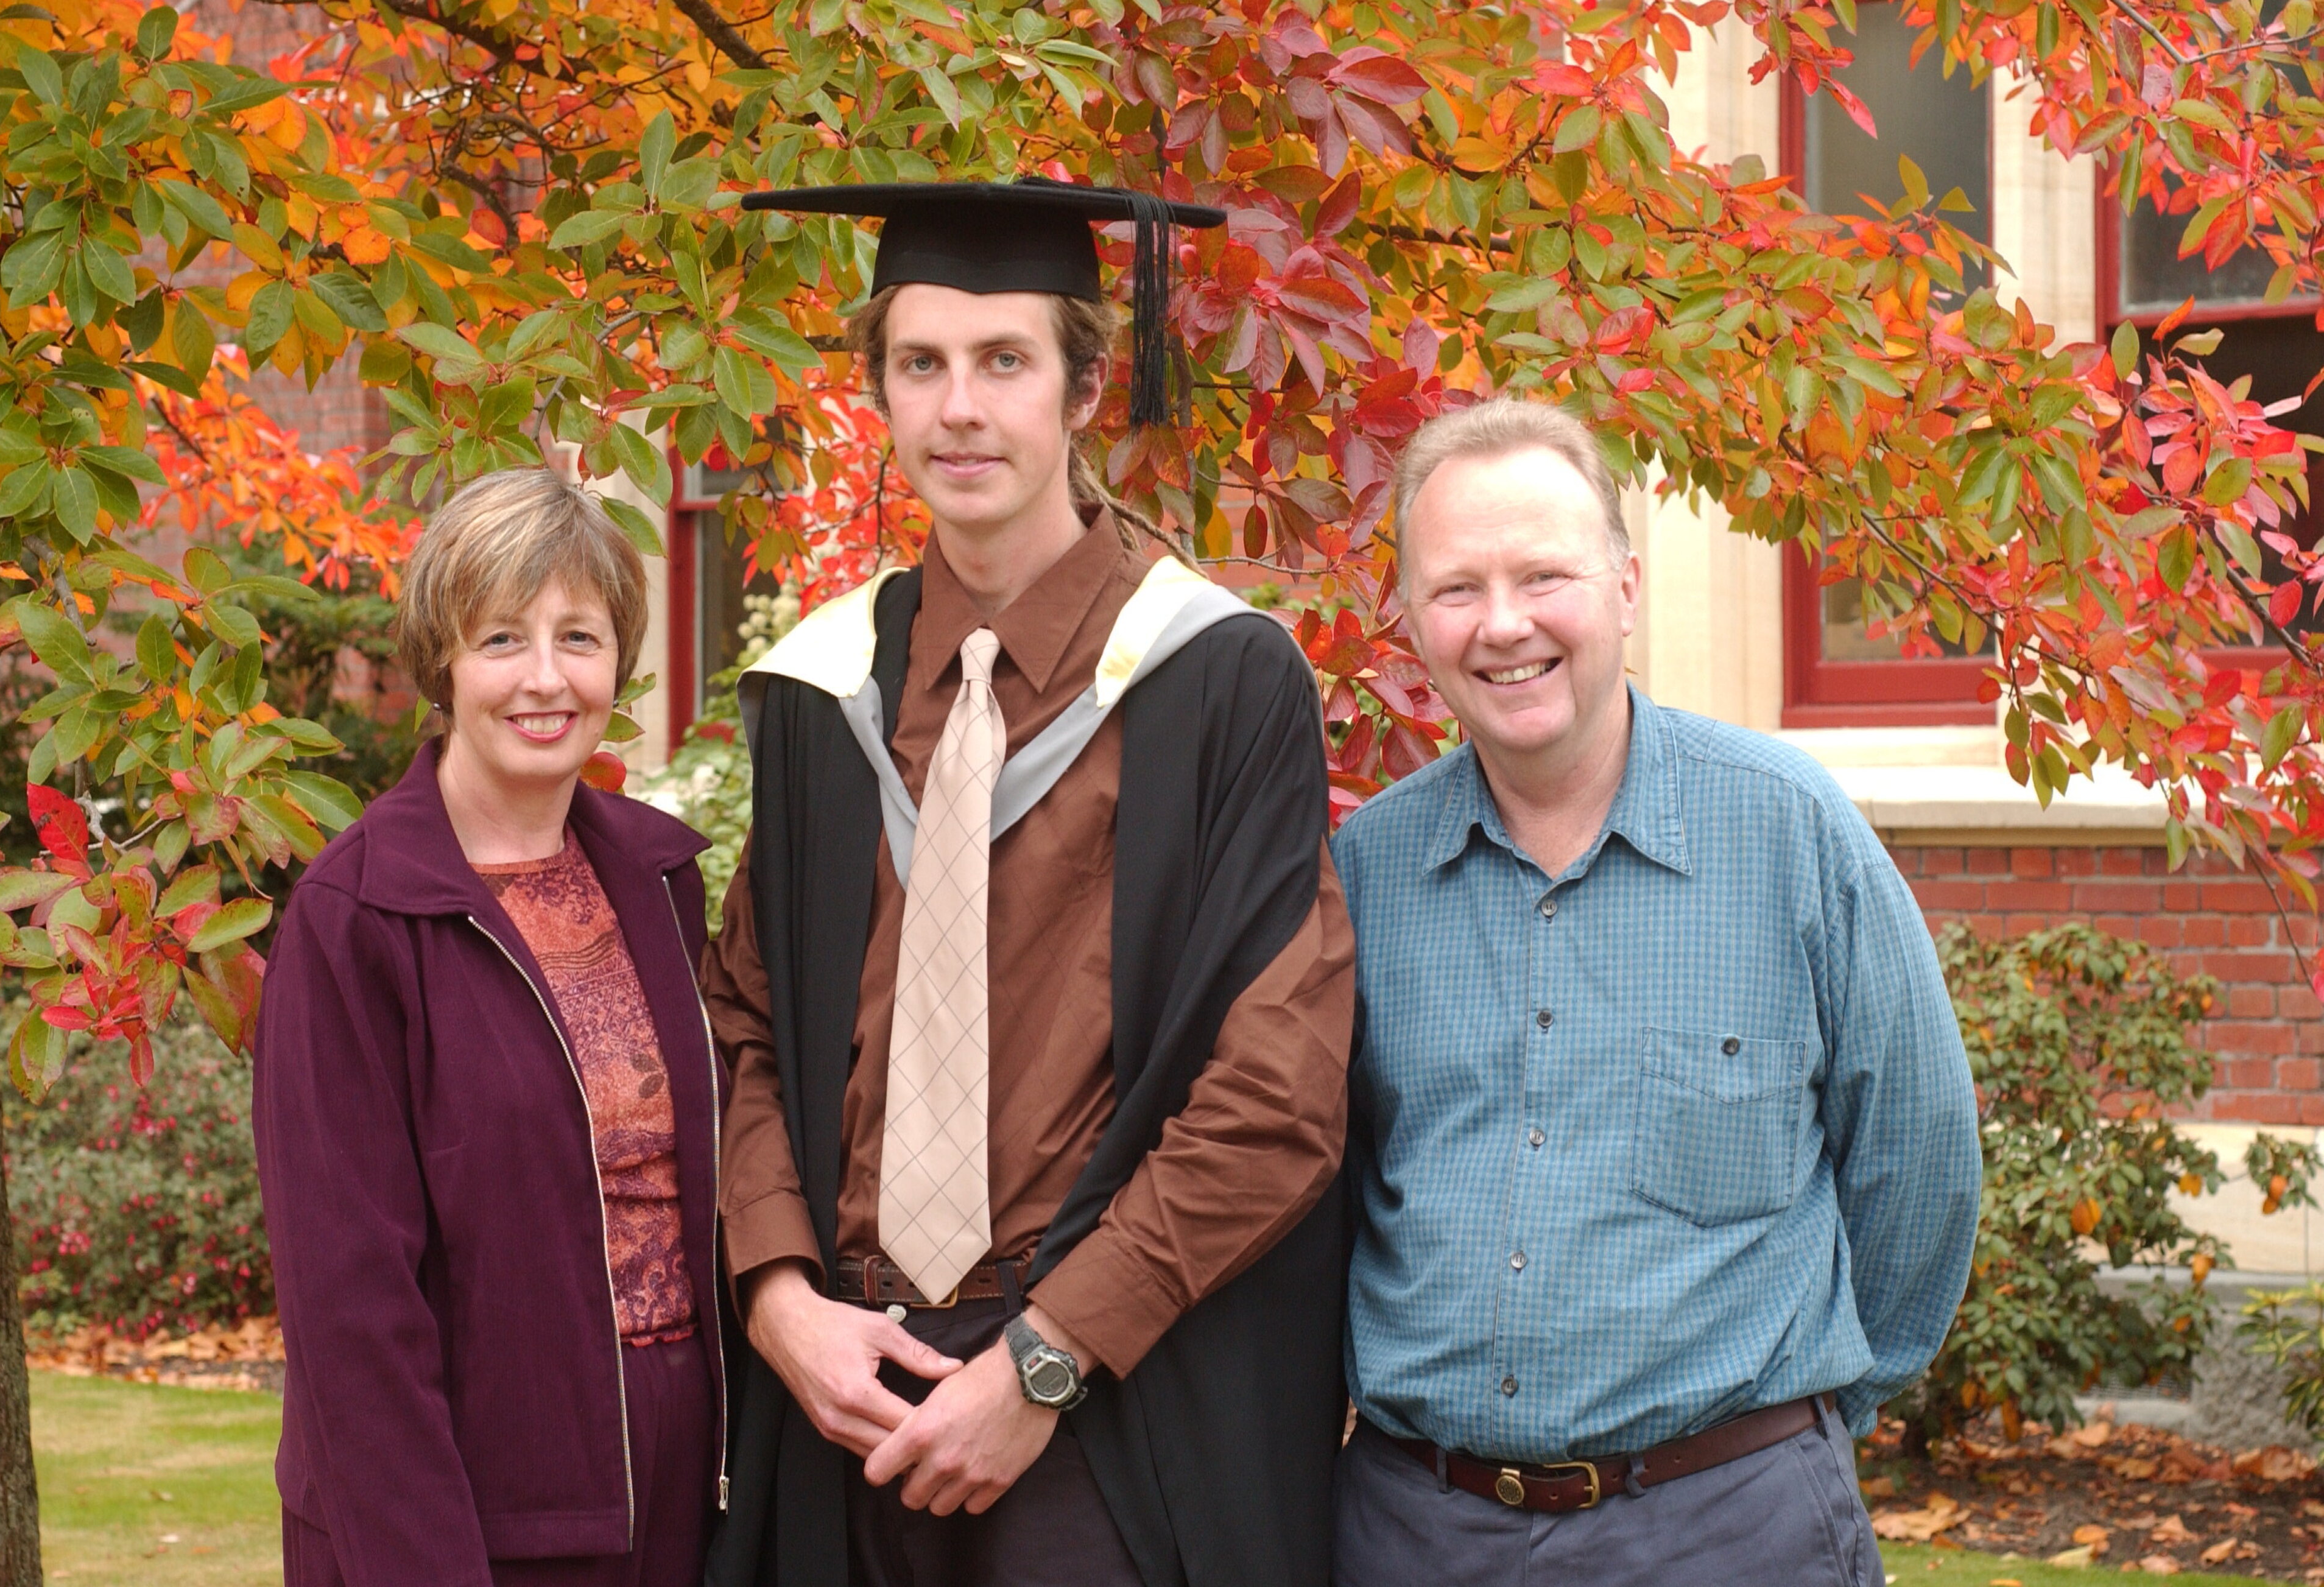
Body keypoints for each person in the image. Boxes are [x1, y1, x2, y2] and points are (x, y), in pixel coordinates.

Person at [703, 180, 1356, 1587]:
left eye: (1004, 362)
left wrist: (1042, 1364)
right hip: (847, 1391)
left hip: (1106, 1412)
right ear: (875, 387)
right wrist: (775, 1298)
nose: (958, 410)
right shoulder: (826, 694)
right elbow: (741, 1026)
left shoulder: (1217, 681)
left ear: (1082, 384)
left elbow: (1276, 1091)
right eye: (919, 363)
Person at [1328, 397, 1982, 1586]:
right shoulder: (1360, 879)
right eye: (1456, 587)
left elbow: (1919, 1162)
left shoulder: (1790, 836)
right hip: (1416, 1535)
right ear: (1407, 619)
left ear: (1625, 587)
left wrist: (1809, 1423)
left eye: (1543, 575)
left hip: (1730, 1532)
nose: (1503, 624)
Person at [253, 468, 725, 1587]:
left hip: (684, 1491)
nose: (547, 678)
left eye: (581, 636)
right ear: (444, 660)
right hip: (470, 1509)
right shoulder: (355, 917)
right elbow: (351, 1314)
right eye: (504, 637)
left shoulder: (663, 880)